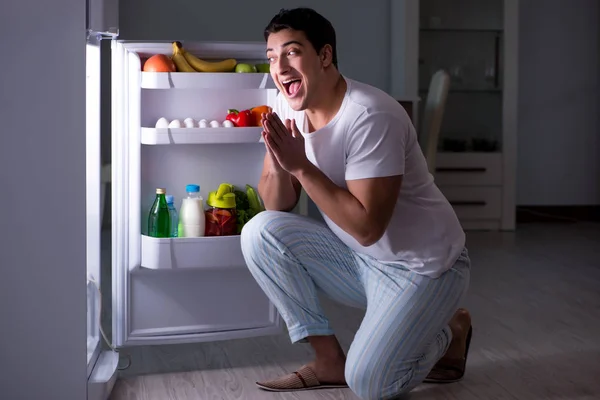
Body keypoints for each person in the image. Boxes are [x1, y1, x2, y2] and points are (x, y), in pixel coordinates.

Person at [240, 7, 472, 400]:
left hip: (424, 268)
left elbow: (368, 227)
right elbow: (277, 206)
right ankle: (328, 359)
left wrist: (301, 165)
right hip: (361, 261)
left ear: (325, 55)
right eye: (272, 56)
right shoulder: (285, 105)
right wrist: (282, 162)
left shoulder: (370, 115)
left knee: (369, 383)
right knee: (259, 232)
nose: (280, 67)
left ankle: (451, 328)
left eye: (292, 52)